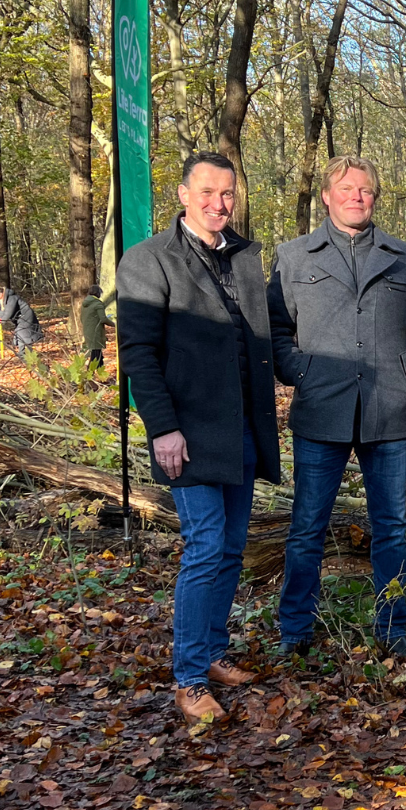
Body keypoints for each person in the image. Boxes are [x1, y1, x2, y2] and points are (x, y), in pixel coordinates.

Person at [117, 151, 283, 722]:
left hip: (240, 426)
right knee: (206, 545)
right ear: (183, 195)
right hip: (184, 431)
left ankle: (213, 652)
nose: (219, 203)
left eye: (228, 193)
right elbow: (138, 353)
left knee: (232, 548)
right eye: (208, 193)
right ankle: (188, 677)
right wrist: (161, 427)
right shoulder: (149, 261)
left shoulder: (243, 257)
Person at [267, 156, 406, 657]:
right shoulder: (295, 256)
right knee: (307, 527)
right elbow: (276, 329)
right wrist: (298, 371)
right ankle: (295, 631)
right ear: (326, 195)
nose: (356, 197)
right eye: (346, 188)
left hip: (387, 411)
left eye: (365, 189)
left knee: (390, 527)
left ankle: (392, 629)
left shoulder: (405, 258)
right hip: (320, 409)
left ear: (376, 196)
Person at [0, 286, 43, 356]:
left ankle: (24, 354)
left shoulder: (12, 298)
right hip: (20, 319)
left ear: (1, 294)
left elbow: (9, 312)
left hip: (26, 317)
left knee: (23, 334)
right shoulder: (3, 301)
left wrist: (3, 320)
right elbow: (3, 311)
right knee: (21, 335)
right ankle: (27, 354)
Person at [80, 285, 114, 368]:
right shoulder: (98, 304)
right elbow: (103, 319)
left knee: (96, 353)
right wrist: (114, 324)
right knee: (96, 356)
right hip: (96, 331)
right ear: (98, 293)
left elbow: (81, 318)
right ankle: (92, 374)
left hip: (87, 330)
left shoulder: (84, 304)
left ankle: (97, 373)